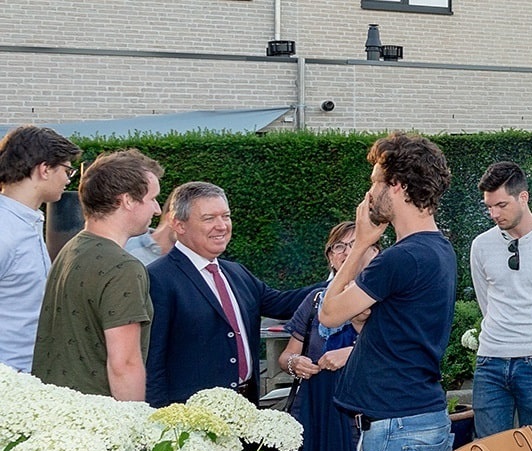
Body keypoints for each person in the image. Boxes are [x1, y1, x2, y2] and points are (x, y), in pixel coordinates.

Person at [319, 133, 457, 451]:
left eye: (374, 183)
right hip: (414, 419)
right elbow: (397, 329)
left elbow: (328, 314)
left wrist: (362, 242)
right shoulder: (438, 248)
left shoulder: (400, 257)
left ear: (396, 186)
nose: (368, 196)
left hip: (397, 430)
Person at [145, 181, 310, 406]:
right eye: (209, 218)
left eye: (226, 216)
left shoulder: (235, 273)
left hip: (245, 411)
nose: (222, 226)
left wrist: (347, 280)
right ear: (178, 224)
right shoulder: (158, 278)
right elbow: (152, 360)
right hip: (190, 421)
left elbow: (283, 304)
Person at [32, 149, 164, 400]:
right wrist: (135, 430)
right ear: (126, 200)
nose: (157, 210)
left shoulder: (71, 248)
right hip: (100, 425)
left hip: (59, 413)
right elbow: (124, 365)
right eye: (152, 199)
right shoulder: (123, 267)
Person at [275, 222, 377, 451]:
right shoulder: (315, 301)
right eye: (339, 247)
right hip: (314, 416)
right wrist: (296, 362)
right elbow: (286, 355)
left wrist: (352, 353)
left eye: (356, 245)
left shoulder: (385, 300)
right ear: (330, 256)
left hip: (360, 420)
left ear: (373, 253)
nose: (347, 253)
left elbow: (396, 353)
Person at [469, 160, 532, 451]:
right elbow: (485, 300)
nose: (494, 214)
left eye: (501, 205)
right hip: (489, 360)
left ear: (524, 197)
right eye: (489, 207)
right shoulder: (481, 245)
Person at [0, 125, 81, 372]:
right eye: (68, 170)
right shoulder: (6, 230)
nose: (68, 179)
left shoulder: (27, 221)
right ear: (44, 169)